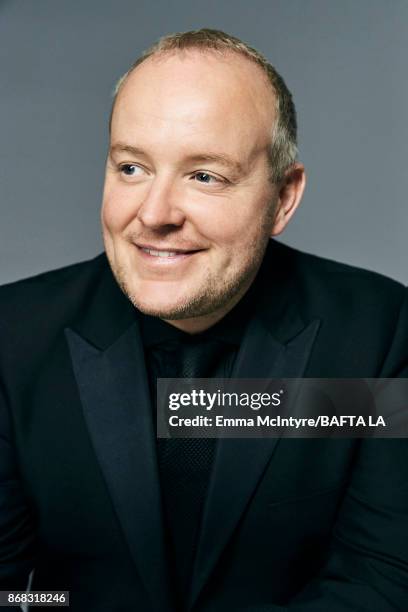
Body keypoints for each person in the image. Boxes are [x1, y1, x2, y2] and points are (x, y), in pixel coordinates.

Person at [0, 28, 407, 612]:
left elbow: (382, 580)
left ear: (283, 200)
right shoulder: (11, 339)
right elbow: (12, 591)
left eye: (205, 176)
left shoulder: (378, 332)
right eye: (132, 168)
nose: (155, 214)